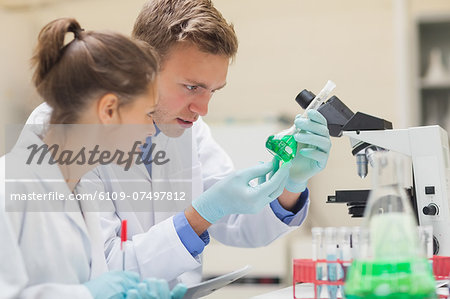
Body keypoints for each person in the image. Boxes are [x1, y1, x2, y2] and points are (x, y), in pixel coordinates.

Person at [26, 0, 332, 286]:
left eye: (213, 91)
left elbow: (240, 222)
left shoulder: (187, 129)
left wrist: (291, 182)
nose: (203, 109)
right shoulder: (61, 131)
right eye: (192, 87)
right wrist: (200, 215)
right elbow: (99, 271)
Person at [1, 18, 186, 299]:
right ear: (109, 110)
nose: (152, 129)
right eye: (148, 114)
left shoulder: (81, 192)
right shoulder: (9, 189)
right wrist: (86, 296)